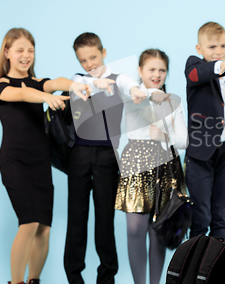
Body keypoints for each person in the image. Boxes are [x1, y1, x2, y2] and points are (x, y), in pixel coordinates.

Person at [0, 28, 91, 284]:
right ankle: (16, 282)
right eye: (20, 50)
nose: (26, 56)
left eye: (30, 50)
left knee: (43, 228)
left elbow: (56, 82)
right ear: (7, 52)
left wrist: (76, 86)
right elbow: (22, 94)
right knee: (29, 222)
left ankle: (34, 280)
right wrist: (46, 97)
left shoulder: (38, 82)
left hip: (40, 163)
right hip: (15, 162)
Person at [63, 32, 146, 284]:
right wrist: (92, 83)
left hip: (107, 155)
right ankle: (74, 276)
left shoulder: (119, 78)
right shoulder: (78, 79)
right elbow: (76, 86)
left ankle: (106, 276)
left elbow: (127, 84)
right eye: (83, 60)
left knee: (105, 220)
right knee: (76, 218)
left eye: (93, 57)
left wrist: (134, 90)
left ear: (104, 52)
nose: (89, 64)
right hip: (79, 154)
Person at [115, 49, 188, 284]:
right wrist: (145, 92)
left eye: (162, 70)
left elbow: (184, 140)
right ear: (140, 71)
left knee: (158, 230)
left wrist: (165, 137)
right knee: (135, 228)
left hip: (165, 164)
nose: (157, 74)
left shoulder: (173, 101)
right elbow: (119, 82)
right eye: (151, 69)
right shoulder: (133, 95)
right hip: (136, 161)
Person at [184, 22, 225, 245]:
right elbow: (195, 74)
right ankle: (193, 271)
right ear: (199, 49)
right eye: (212, 47)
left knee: (220, 218)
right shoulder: (195, 68)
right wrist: (220, 65)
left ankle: (217, 269)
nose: (218, 51)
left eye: (223, 46)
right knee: (200, 217)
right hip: (200, 155)